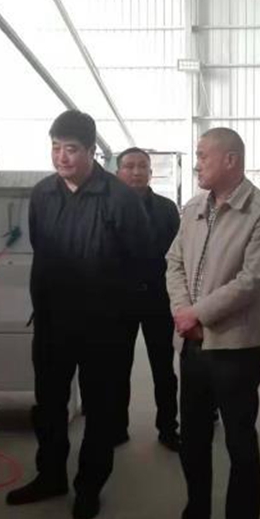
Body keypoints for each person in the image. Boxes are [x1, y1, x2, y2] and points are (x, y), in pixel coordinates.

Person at [6, 110, 152, 519]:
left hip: (103, 327)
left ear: (91, 151)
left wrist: (117, 315)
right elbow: (43, 249)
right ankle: (50, 475)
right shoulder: (43, 194)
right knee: (49, 405)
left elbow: (141, 262)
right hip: (52, 322)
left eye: (70, 149)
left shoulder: (119, 199)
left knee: (101, 410)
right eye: (55, 147)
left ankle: (89, 486)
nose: (61, 157)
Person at [166, 127, 260, 519]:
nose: (196, 164)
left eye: (203, 156)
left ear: (230, 160)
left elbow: (254, 279)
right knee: (193, 439)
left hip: (235, 349)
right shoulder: (193, 208)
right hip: (192, 345)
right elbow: (174, 263)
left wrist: (198, 314)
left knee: (240, 442)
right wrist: (184, 312)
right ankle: (195, 513)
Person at [114, 147, 181, 451]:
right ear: (118, 172)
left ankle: (168, 428)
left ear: (151, 173)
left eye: (142, 166)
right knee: (117, 368)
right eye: (129, 166)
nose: (136, 172)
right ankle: (117, 427)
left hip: (158, 298)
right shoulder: (108, 206)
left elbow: (178, 255)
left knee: (163, 367)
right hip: (120, 301)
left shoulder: (167, 209)